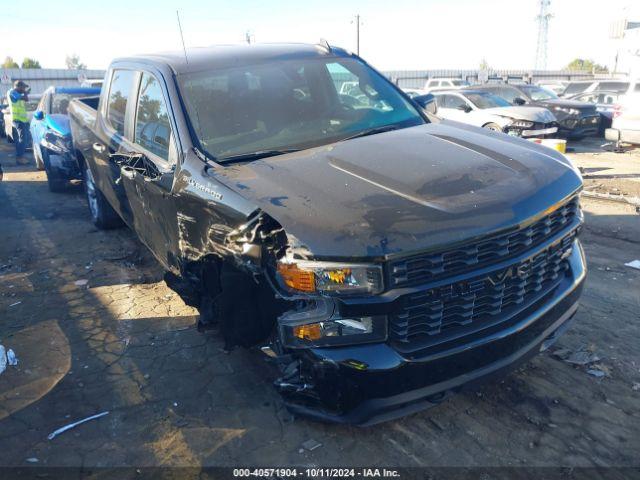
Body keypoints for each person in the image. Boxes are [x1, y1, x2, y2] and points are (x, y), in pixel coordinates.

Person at [7, 80, 31, 164]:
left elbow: (26, 99)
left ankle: (20, 156)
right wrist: (25, 92)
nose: (24, 89)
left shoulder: (18, 93)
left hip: (23, 120)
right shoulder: (11, 92)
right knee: (23, 139)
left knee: (26, 138)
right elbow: (22, 97)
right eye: (23, 87)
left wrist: (25, 93)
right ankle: (19, 157)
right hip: (17, 120)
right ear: (18, 86)